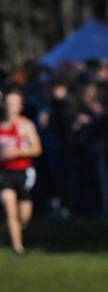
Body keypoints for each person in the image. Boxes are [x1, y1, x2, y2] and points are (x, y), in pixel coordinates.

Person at [0, 90, 43, 255]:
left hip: (23, 172)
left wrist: (17, 152)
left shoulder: (26, 125)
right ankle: (17, 248)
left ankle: (21, 228)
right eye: (8, 103)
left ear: (20, 106)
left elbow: (37, 149)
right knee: (9, 206)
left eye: (14, 104)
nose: (10, 107)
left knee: (23, 215)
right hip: (5, 172)